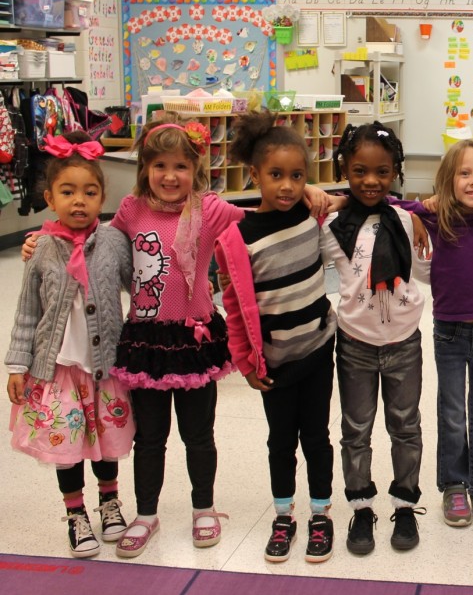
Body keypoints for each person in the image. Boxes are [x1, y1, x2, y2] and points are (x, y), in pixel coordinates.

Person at [96, 115, 333, 558]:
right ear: (145, 168)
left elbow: (265, 216)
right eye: (160, 165)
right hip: (145, 343)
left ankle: (203, 507)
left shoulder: (211, 210)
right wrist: (42, 243)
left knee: (198, 435)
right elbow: (98, 243)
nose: (170, 176)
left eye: (181, 166)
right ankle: (146, 513)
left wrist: (311, 194)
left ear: (196, 170)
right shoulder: (131, 211)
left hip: (194, 342)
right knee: (150, 437)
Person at [213, 112, 337, 563]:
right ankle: (283, 514)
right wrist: (245, 363)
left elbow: (359, 203)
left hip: (319, 350)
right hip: (274, 363)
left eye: (297, 176)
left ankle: (320, 513)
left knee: (318, 437)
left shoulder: (310, 210)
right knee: (281, 441)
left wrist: (317, 193)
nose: (286, 185)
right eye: (276, 175)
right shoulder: (237, 238)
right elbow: (232, 306)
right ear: (255, 176)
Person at [5, 133, 134, 558]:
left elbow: (140, 287)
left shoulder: (115, 240)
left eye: (90, 192)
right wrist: (18, 366)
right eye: (68, 191)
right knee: (67, 445)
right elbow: (27, 312)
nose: (79, 201)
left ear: (102, 196)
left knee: (106, 440)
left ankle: (110, 501)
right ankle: (76, 513)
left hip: (105, 367)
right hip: (58, 370)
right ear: (49, 197)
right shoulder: (41, 247)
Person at [320, 121, 430, 555]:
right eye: (360, 170)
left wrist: (418, 219)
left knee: (406, 426)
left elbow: (426, 271)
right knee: (355, 430)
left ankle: (404, 503)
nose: (370, 180)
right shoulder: (331, 225)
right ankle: (361, 506)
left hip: (404, 342)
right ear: (345, 169)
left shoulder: (405, 220)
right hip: (354, 345)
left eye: (382, 172)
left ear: (395, 172)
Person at [401, 140, 473, 528]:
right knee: (452, 414)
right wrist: (418, 211)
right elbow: (386, 204)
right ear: (447, 181)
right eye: (464, 173)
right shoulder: (437, 216)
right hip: (448, 332)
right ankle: (454, 485)